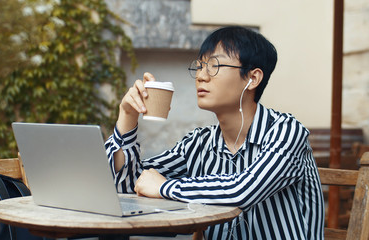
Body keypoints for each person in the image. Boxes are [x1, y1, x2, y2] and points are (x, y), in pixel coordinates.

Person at [105, 26, 324, 239]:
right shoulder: (199, 143)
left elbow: (243, 190)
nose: (201, 76)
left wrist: (164, 187)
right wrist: (127, 116)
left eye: (214, 65)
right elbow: (128, 186)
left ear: (252, 78)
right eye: (199, 66)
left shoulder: (286, 131)